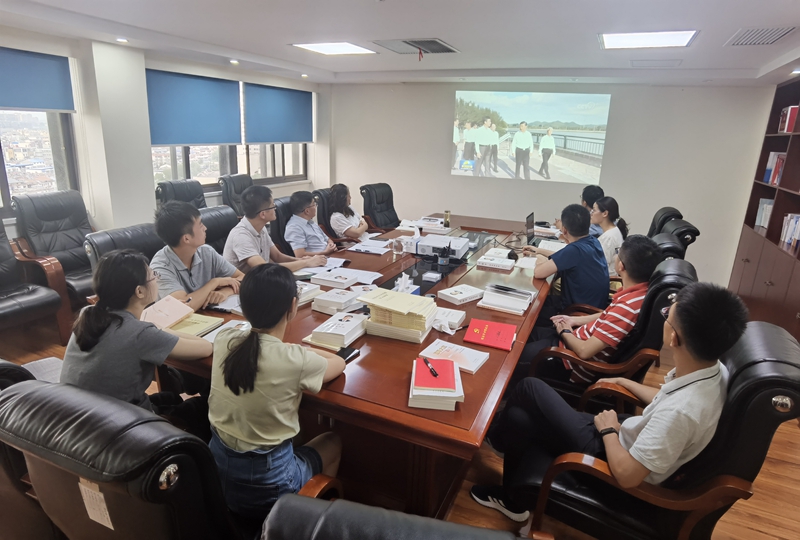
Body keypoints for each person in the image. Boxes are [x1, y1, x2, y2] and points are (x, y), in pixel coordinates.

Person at [470, 282, 748, 522]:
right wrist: (627, 383)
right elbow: (664, 401)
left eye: (667, 316)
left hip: (609, 455)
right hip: (625, 434)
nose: (663, 318)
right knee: (519, 418)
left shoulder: (682, 412)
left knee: (529, 387)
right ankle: (512, 501)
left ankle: (488, 437)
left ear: (674, 337)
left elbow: (627, 476)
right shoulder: (712, 371)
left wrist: (608, 431)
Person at [208, 263, 345, 522]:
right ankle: (309, 521)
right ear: (293, 306)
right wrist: (302, 350)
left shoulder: (225, 338)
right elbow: (338, 363)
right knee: (332, 441)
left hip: (216, 472)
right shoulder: (294, 359)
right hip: (269, 486)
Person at [61, 249, 213, 439]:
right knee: (203, 406)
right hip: (120, 430)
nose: (157, 279)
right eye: (153, 276)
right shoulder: (140, 334)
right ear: (139, 291)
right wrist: (155, 329)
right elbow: (206, 348)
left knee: (171, 397)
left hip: (80, 417)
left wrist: (153, 328)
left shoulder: (89, 314)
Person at [509, 235, 661, 390]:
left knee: (514, 355)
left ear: (621, 266)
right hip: (573, 339)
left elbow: (584, 351)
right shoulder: (638, 294)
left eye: (618, 253)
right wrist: (574, 321)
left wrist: (565, 332)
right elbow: (607, 315)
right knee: (523, 334)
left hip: (569, 362)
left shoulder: (627, 308)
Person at [151, 201, 244, 311]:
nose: (205, 228)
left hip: (209, 316)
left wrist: (226, 291)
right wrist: (214, 282)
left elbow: (243, 278)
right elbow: (183, 307)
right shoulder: (160, 267)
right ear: (187, 238)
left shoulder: (206, 252)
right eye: (200, 225)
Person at [524, 204, 610, 324]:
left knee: (532, 308)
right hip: (595, 307)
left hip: (578, 312)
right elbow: (565, 256)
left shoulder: (574, 250)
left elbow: (538, 273)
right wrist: (539, 250)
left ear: (564, 230)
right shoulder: (593, 241)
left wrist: (540, 261)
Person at [223, 185, 326, 273]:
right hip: (240, 285)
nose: (275, 209)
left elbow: (278, 256)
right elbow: (263, 269)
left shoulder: (260, 228)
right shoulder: (241, 236)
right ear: (263, 214)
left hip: (260, 280)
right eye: (273, 206)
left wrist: (301, 260)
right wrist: (306, 263)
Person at [284, 191, 337, 258]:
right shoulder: (294, 228)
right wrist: (325, 252)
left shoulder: (310, 222)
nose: (316, 206)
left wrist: (331, 245)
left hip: (331, 256)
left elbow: (327, 238)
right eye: (314, 204)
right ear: (307, 211)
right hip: (318, 262)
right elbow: (300, 255)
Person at [592, 196, 629, 276]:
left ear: (605, 213)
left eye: (594, 210)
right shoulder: (614, 231)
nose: (591, 213)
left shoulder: (609, 237)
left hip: (607, 279)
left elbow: (600, 266)